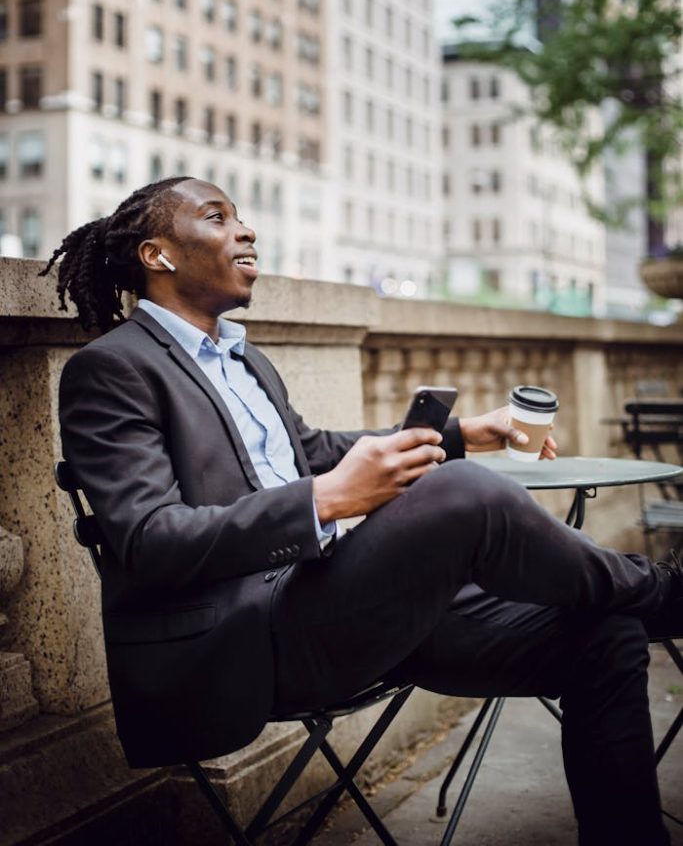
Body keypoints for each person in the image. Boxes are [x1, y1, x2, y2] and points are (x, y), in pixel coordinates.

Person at [43, 176, 682, 846]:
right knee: (459, 491)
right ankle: (665, 594)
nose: (246, 230)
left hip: (342, 610)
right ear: (159, 256)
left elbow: (311, 451)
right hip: (245, 644)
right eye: (217, 217)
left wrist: (462, 434)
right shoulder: (112, 370)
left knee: (602, 633)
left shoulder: (244, 359)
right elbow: (148, 541)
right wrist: (328, 498)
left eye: (240, 217)